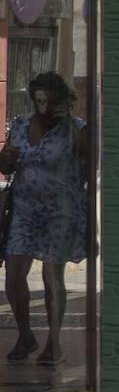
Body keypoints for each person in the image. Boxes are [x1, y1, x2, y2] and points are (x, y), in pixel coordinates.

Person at [0, 72, 88, 367]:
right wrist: (6, 160)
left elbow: (92, 158)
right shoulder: (22, 125)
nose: (44, 108)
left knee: (52, 277)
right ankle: (25, 335)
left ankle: (54, 342)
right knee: (13, 273)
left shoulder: (75, 128)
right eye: (39, 101)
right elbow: (5, 163)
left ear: (62, 102)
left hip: (59, 211)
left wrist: (68, 124)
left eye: (49, 102)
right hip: (25, 209)